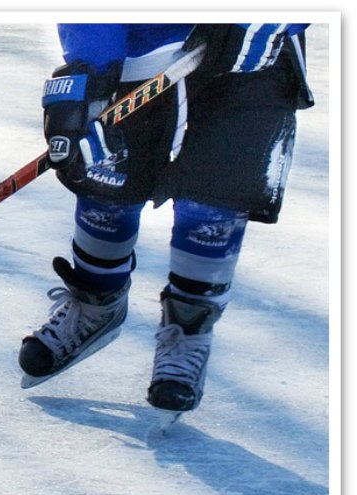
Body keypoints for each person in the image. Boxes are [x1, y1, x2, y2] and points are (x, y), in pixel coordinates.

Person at [18, 23, 314, 417]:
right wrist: (90, 71)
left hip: (250, 59)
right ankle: (96, 301)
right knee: (105, 182)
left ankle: (189, 328)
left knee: (213, 199)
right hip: (139, 49)